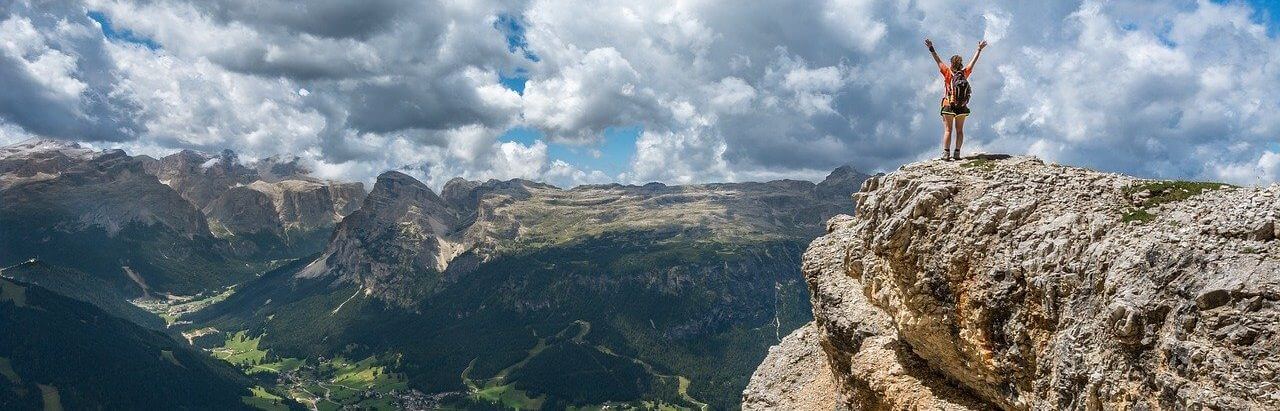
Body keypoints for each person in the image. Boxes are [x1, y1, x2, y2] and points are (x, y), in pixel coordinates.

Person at [925, 38, 986, 160]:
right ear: (961, 64)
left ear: (951, 64)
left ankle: (946, 153)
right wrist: (979, 49)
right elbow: (973, 62)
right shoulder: (964, 73)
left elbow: (937, 60)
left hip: (948, 104)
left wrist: (931, 48)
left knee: (948, 130)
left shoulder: (947, 72)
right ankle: (957, 153)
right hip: (962, 106)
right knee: (959, 131)